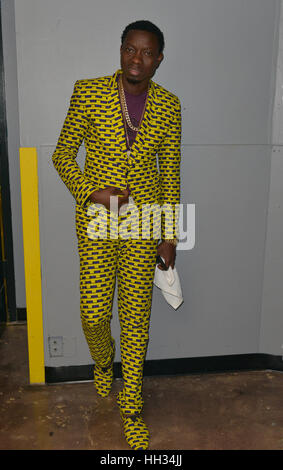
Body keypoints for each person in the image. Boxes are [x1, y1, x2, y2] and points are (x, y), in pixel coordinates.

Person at [52, 19, 182, 450]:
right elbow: (62, 155)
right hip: (97, 221)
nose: (136, 59)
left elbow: (170, 176)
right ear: (121, 49)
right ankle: (103, 362)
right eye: (130, 49)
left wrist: (169, 235)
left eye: (147, 52)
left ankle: (131, 407)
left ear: (158, 59)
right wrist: (92, 192)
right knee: (93, 315)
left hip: (144, 224)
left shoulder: (169, 105)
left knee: (135, 319)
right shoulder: (88, 91)